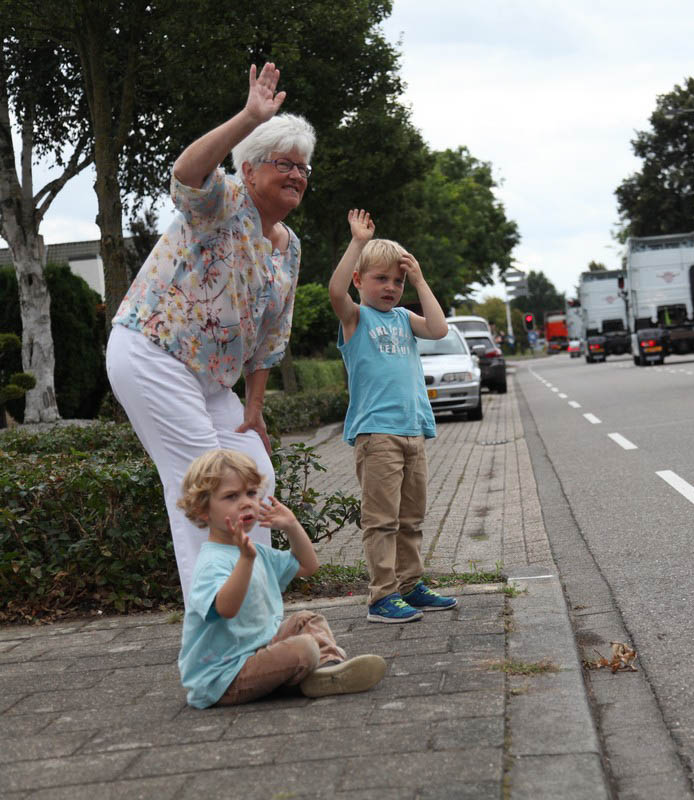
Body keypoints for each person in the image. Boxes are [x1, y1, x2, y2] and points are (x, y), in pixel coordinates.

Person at [106, 63, 311, 598]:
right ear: (249, 170)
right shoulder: (225, 201)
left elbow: (271, 338)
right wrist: (249, 117)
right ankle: (218, 622)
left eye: (303, 167)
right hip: (154, 353)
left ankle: (255, 607)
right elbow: (186, 173)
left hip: (213, 379)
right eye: (285, 164)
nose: (297, 175)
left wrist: (254, 409)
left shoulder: (289, 247)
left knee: (256, 477)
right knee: (208, 486)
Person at [176, 450, 385, 708]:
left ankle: (327, 669)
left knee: (306, 619)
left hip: (256, 652)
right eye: (231, 496)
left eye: (251, 493)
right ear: (203, 510)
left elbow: (308, 565)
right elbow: (226, 608)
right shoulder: (212, 562)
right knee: (304, 648)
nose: (246, 503)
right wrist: (245, 561)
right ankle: (309, 670)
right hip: (223, 678)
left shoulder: (255, 552)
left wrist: (292, 526)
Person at [329, 209, 457, 623]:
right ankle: (381, 596)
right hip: (377, 435)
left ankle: (410, 585)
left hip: (413, 431)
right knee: (382, 521)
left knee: (411, 519)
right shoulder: (356, 319)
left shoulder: (404, 318)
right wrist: (358, 243)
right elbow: (334, 291)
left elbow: (439, 329)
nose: (391, 287)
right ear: (359, 280)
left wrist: (419, 280)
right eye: (381, 279)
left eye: (398, 281)